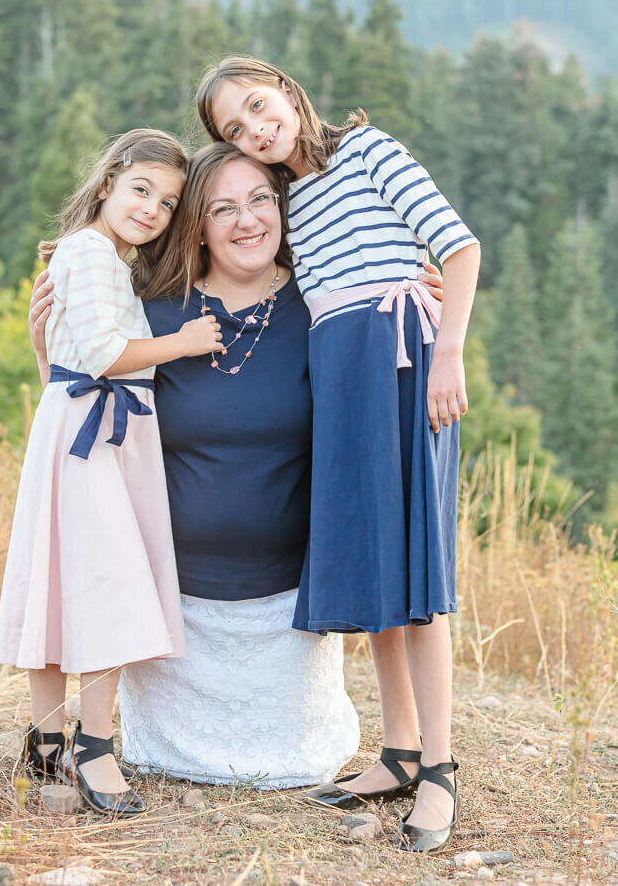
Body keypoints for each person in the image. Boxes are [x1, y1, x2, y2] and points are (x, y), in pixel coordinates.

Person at [29, 143, 445, 791]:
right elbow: (86, 401)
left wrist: (412, 295)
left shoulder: (322, 306)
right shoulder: (152, 308)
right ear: (194, 224)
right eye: (221, 208)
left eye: (260, 200)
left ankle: (410, 750)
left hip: (287, 612)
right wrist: (44, 350)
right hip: (174, 615)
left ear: (282, 209)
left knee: (296, 764)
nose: (246, 220)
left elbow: (385, 352)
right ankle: (72, 735)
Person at [197, 57, 481, 852]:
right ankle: (396, 750)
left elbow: (457, 249)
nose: (255, 127)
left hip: (400, 363)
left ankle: (439, 769)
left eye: (257, 105)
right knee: (369, 564)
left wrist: (448, 352)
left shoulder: (366, 149)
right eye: (234, 128)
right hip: (339, 376)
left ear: (285, 89)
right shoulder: (284, 197)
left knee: (416, 573)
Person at [0, 129, 223, 817]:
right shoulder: (89, 253)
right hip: (95, 432)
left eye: (167, 201)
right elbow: (98, 352)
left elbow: (69, 352)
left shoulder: (98, 258)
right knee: (105, 587)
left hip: (82, 425)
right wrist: (181, 343)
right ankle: (93, 745)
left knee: (68, 582)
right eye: (140, 189)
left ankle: (46, 742)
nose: (152, 209)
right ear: (106, 186)